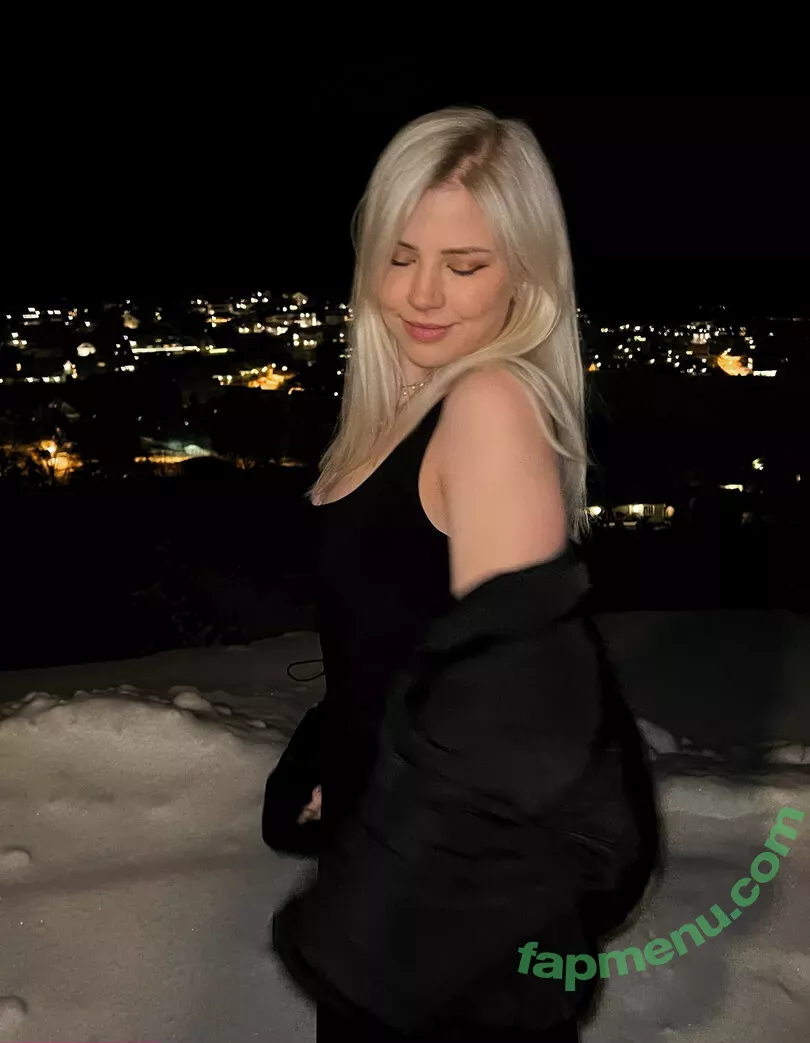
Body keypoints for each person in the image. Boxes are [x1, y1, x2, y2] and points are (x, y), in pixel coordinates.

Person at [270, 106, 662, 1042]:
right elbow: (401, 635)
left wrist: (371, 923)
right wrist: (341, 758)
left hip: (443, 911)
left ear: (524, 271)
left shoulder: (487, 403)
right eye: (401, 255)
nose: (422, 293)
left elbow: (517, 717)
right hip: (403, 866)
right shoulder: (405, 401)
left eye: (465, 264)